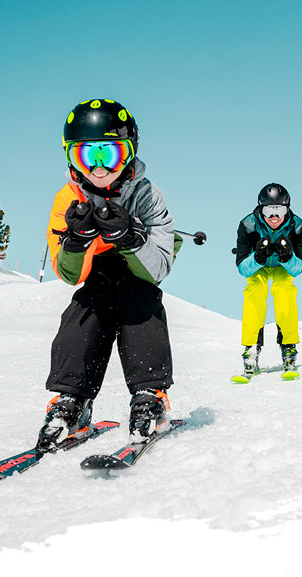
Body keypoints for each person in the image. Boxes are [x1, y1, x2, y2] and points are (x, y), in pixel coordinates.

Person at [38, 99, 182, 450]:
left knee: (139, 298)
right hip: (97, 275)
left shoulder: (148, 196)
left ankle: (150, 395)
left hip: (139, 274)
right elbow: (70, 275)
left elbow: (158, 268)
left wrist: (130, 237)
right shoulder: (68, 199)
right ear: (72, 158)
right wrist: (75, 241)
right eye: (88, 156)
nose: (99, 169)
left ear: (129, 153)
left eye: (110, 155)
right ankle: (72, 401)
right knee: (88, 304)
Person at [234, 183, 302, 380]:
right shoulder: (248, 225)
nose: (274, 217)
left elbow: (298, 268)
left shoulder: (297, 226)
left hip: (282, 267)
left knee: (284, 289)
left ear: (287, 209)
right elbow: (242, 268)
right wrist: (257, 257)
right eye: (269, 210)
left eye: (279, 210)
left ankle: (289, 347)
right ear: (260, 208)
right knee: (255, 290)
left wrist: (288, 257)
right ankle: (251, 349)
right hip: (259, 266)